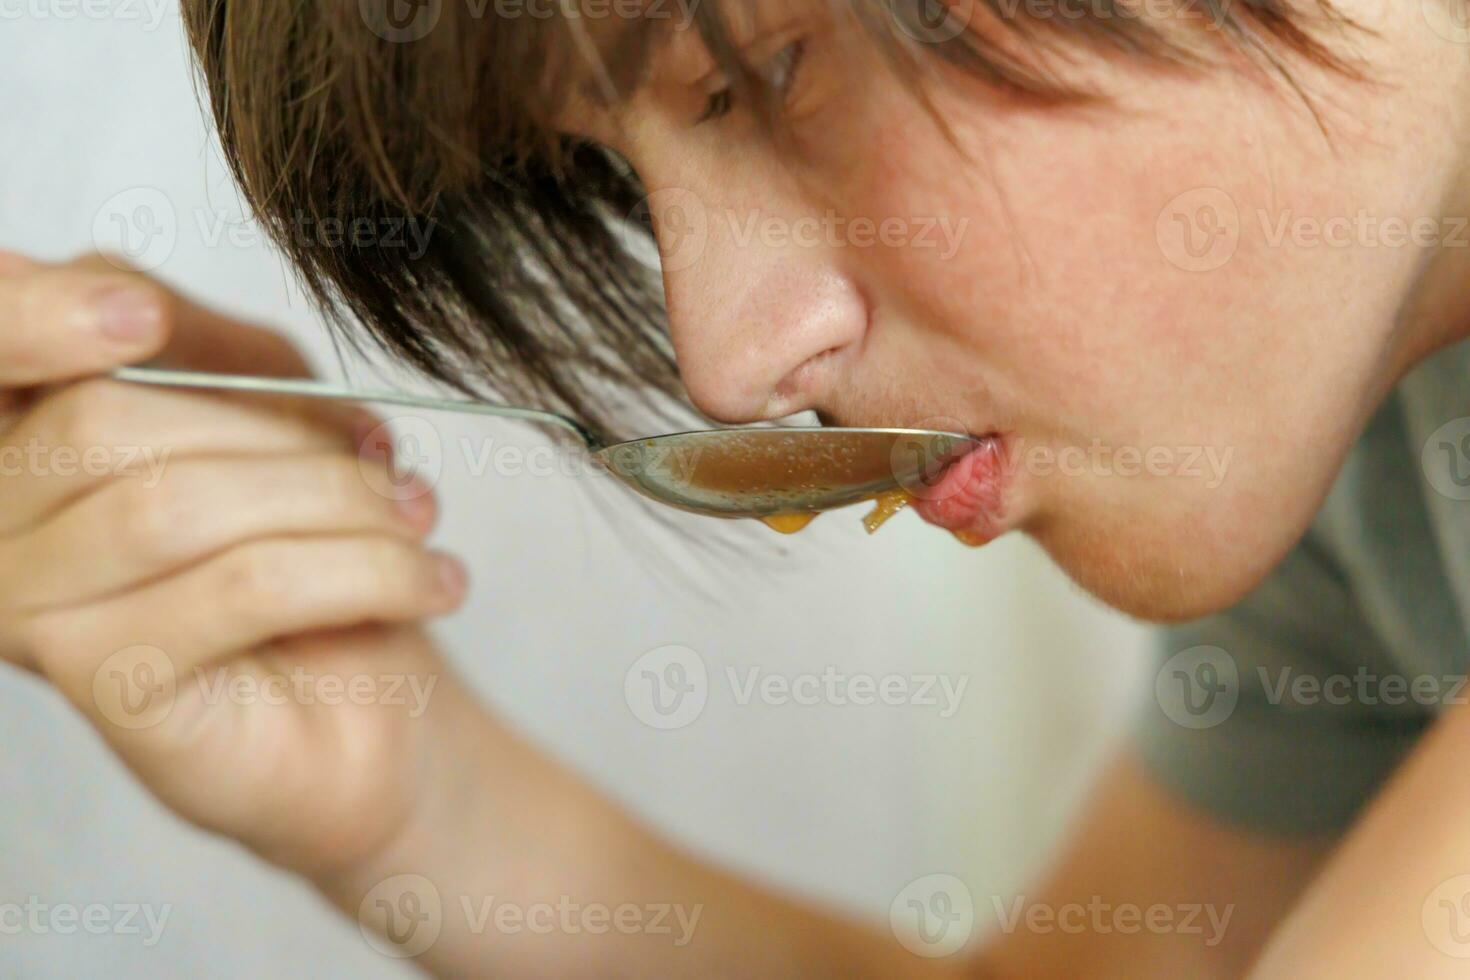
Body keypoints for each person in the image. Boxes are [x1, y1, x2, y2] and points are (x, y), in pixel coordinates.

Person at [3, 0, 1470, 975]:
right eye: (626, 182)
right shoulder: (1355, 440)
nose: (727, 358)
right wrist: (420, 805)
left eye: (762, 71)